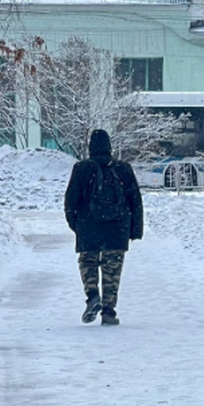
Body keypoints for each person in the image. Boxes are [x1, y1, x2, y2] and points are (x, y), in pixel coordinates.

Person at [64, 129, 143, 326]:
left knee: (88, 263)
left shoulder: (82, 169)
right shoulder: (123, 169)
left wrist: (76, 225)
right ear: (110, 147)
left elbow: (70, 200)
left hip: (88, 226)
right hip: (117, 228)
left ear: (91, 147)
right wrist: (135, 229)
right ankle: (109, 311)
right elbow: (135, 200)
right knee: (112, 269)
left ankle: (92, 296)